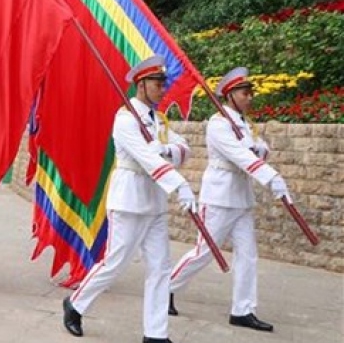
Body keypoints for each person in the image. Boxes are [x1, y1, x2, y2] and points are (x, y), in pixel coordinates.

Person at [62, 56, 195, 343]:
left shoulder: (157, 120)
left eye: (163, 83)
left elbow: (184, 149)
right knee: (116, 262)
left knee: (160, 267)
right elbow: (147, 159)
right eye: (157, 84)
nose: (163, 89)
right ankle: (76, 303)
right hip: (130, 199)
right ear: (141, 85)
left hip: (155, 201)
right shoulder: (124, 119)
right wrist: (179, 184)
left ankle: (155, 334)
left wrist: (166, 151)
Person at [169, 67, 287, 332]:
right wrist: (270, 176)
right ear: (231, 95)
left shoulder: (245, 124)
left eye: (250, 92)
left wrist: (254, 148)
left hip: (242, 197)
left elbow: (262, 149)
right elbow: (241, 157)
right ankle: (166, 288)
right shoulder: (218, 123)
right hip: (220, 196)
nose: (249, 97)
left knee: (248, 255)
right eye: (245, 93)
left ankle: (243, 309)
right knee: (205, 251)